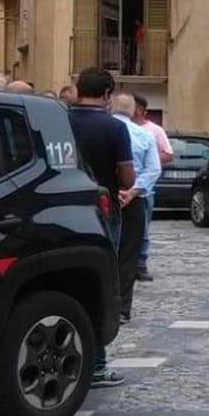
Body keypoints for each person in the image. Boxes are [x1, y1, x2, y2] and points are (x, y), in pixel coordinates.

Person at [69, 68, 135, 385]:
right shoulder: (114, 128)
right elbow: (127, 178)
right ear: (108, 95)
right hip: (102, 210)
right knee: (100, 285)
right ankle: (96, 364)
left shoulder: (60, 121)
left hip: (63, 209)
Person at [111, 93, 160, 322]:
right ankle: (122, 307)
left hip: (106, 195)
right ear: (133, 111)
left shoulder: (105, 129)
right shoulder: (144, 135)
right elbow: (153, 169)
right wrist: (133, 192)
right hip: (133, 199)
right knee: (128, 255)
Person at [133, 95, 173, 282]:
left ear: (139, 110)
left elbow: (167, 154)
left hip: (145, 188)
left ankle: (141, 264)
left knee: (143, 229)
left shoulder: (154, 131)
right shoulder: (122, 127)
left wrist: (149, 155)